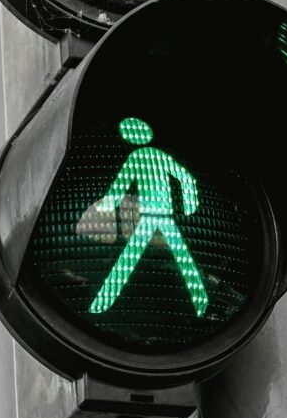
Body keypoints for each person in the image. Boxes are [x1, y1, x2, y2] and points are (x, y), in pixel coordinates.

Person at [89, 117, 209, 318]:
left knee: (129, 258)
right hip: (164, 214)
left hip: (150, 216)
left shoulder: (137, 156)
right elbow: (186, 178)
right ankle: (201, 302)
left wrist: (108, 205)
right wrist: (189, 205)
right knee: (183, 259)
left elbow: (121, 184)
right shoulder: (161, 156)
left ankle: (103, 302)